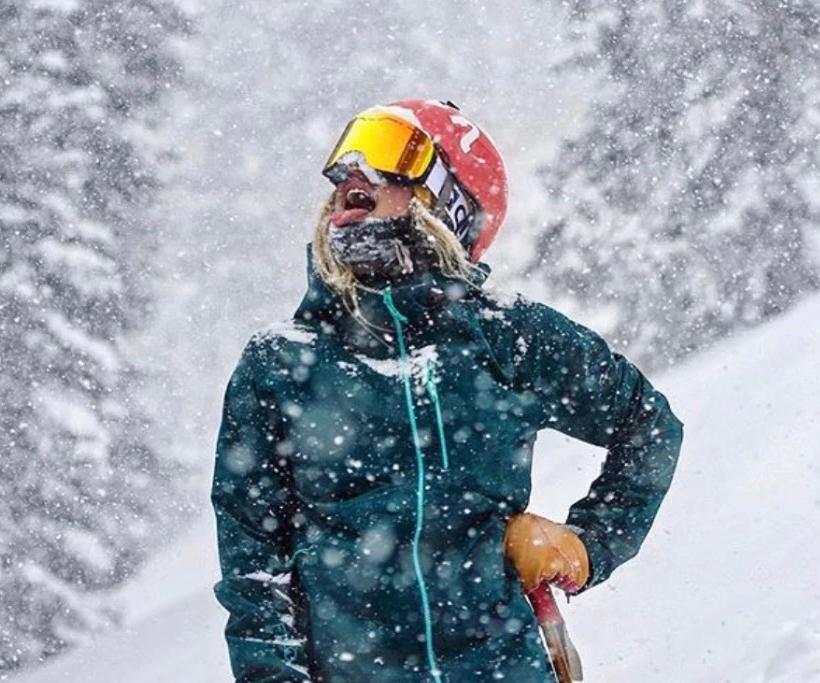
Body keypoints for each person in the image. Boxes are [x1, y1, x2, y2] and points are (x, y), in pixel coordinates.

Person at [211, 100, 683, 683]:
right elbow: (255, 565)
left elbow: (649, 427)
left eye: (385, 149)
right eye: (346, 151)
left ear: (448, 203)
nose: (349, 171)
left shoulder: (507, 336)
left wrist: (587, 546)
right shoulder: (282, 363)